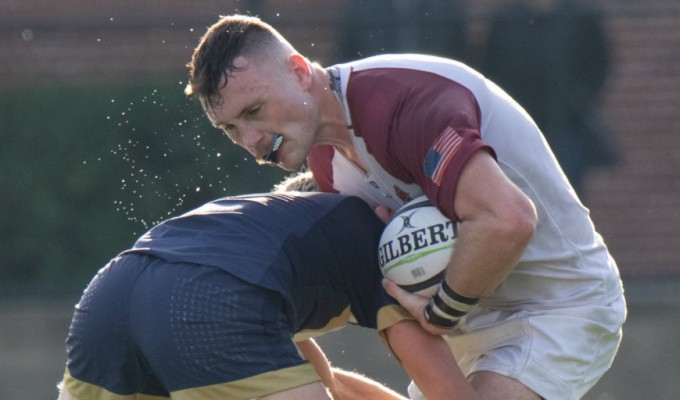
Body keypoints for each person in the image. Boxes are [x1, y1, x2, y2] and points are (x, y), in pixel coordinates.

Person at [184, 15, 626, 400]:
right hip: (469, 323)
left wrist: (440, 314)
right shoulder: (321, 151)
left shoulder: (402, 101)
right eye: (230, 128)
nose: (250, 141)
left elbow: (507, 220)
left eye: (255, 111)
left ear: (299, 71)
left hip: (556, 306)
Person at [57, 176, 475, 400]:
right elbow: (451, 394)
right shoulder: (370, 236)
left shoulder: (261, 242)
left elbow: (331, 384)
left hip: (108, 297)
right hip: (201, 301)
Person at [482, 0, 618, 197]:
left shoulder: (580, 17)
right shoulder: (507, 19)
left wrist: (578, 99)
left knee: (567, 194)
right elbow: (491, 67)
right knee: (519, 192)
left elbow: (598, 63)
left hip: (567, 125)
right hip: (517, 125)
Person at [336, 0, 468, 63]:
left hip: (434, 93)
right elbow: (348, 57)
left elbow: (459, 54)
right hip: (380, 94)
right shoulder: (362, 8)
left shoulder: (445, 7)